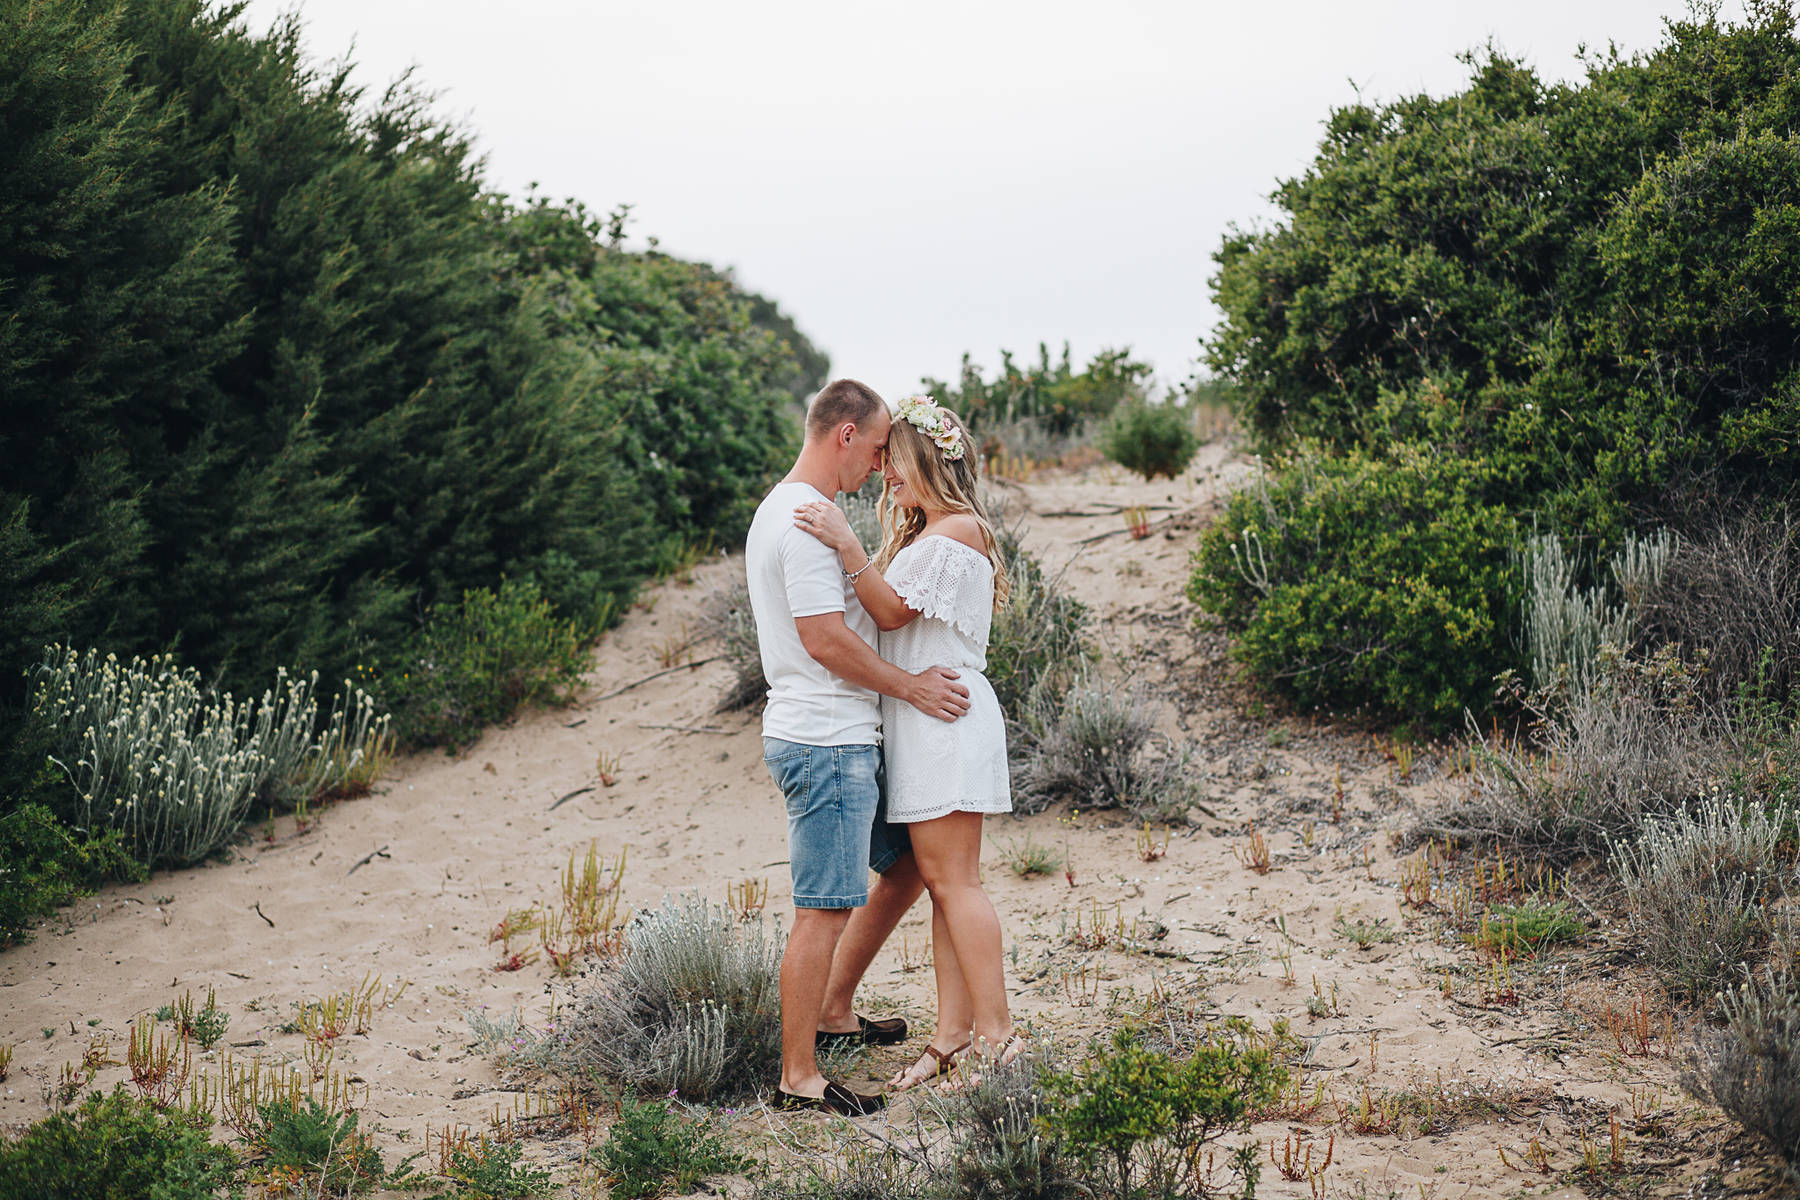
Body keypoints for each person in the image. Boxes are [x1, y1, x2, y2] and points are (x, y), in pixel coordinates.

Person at [744, 378, 971, 1114]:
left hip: (843, 737)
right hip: (826, 741)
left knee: (903, 868)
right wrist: (911, 687)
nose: (879, 467)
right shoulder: (806, 519)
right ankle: (798, 1077)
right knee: (823, 909)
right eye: (876, 449)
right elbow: (826, 640)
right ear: (844, 434)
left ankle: (836, 1009)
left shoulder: (788, 510)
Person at [793, 393, 1022, 1090]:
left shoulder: (958, 531)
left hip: (944, 718)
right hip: (926, 722)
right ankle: (952, 1036)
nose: (885, 473)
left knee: (957, 883)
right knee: (945, 887)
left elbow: (890, 613)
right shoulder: (935, 534)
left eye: (894, 460)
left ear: (926, 458)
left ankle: (1000, 1039)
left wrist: (844, 541)